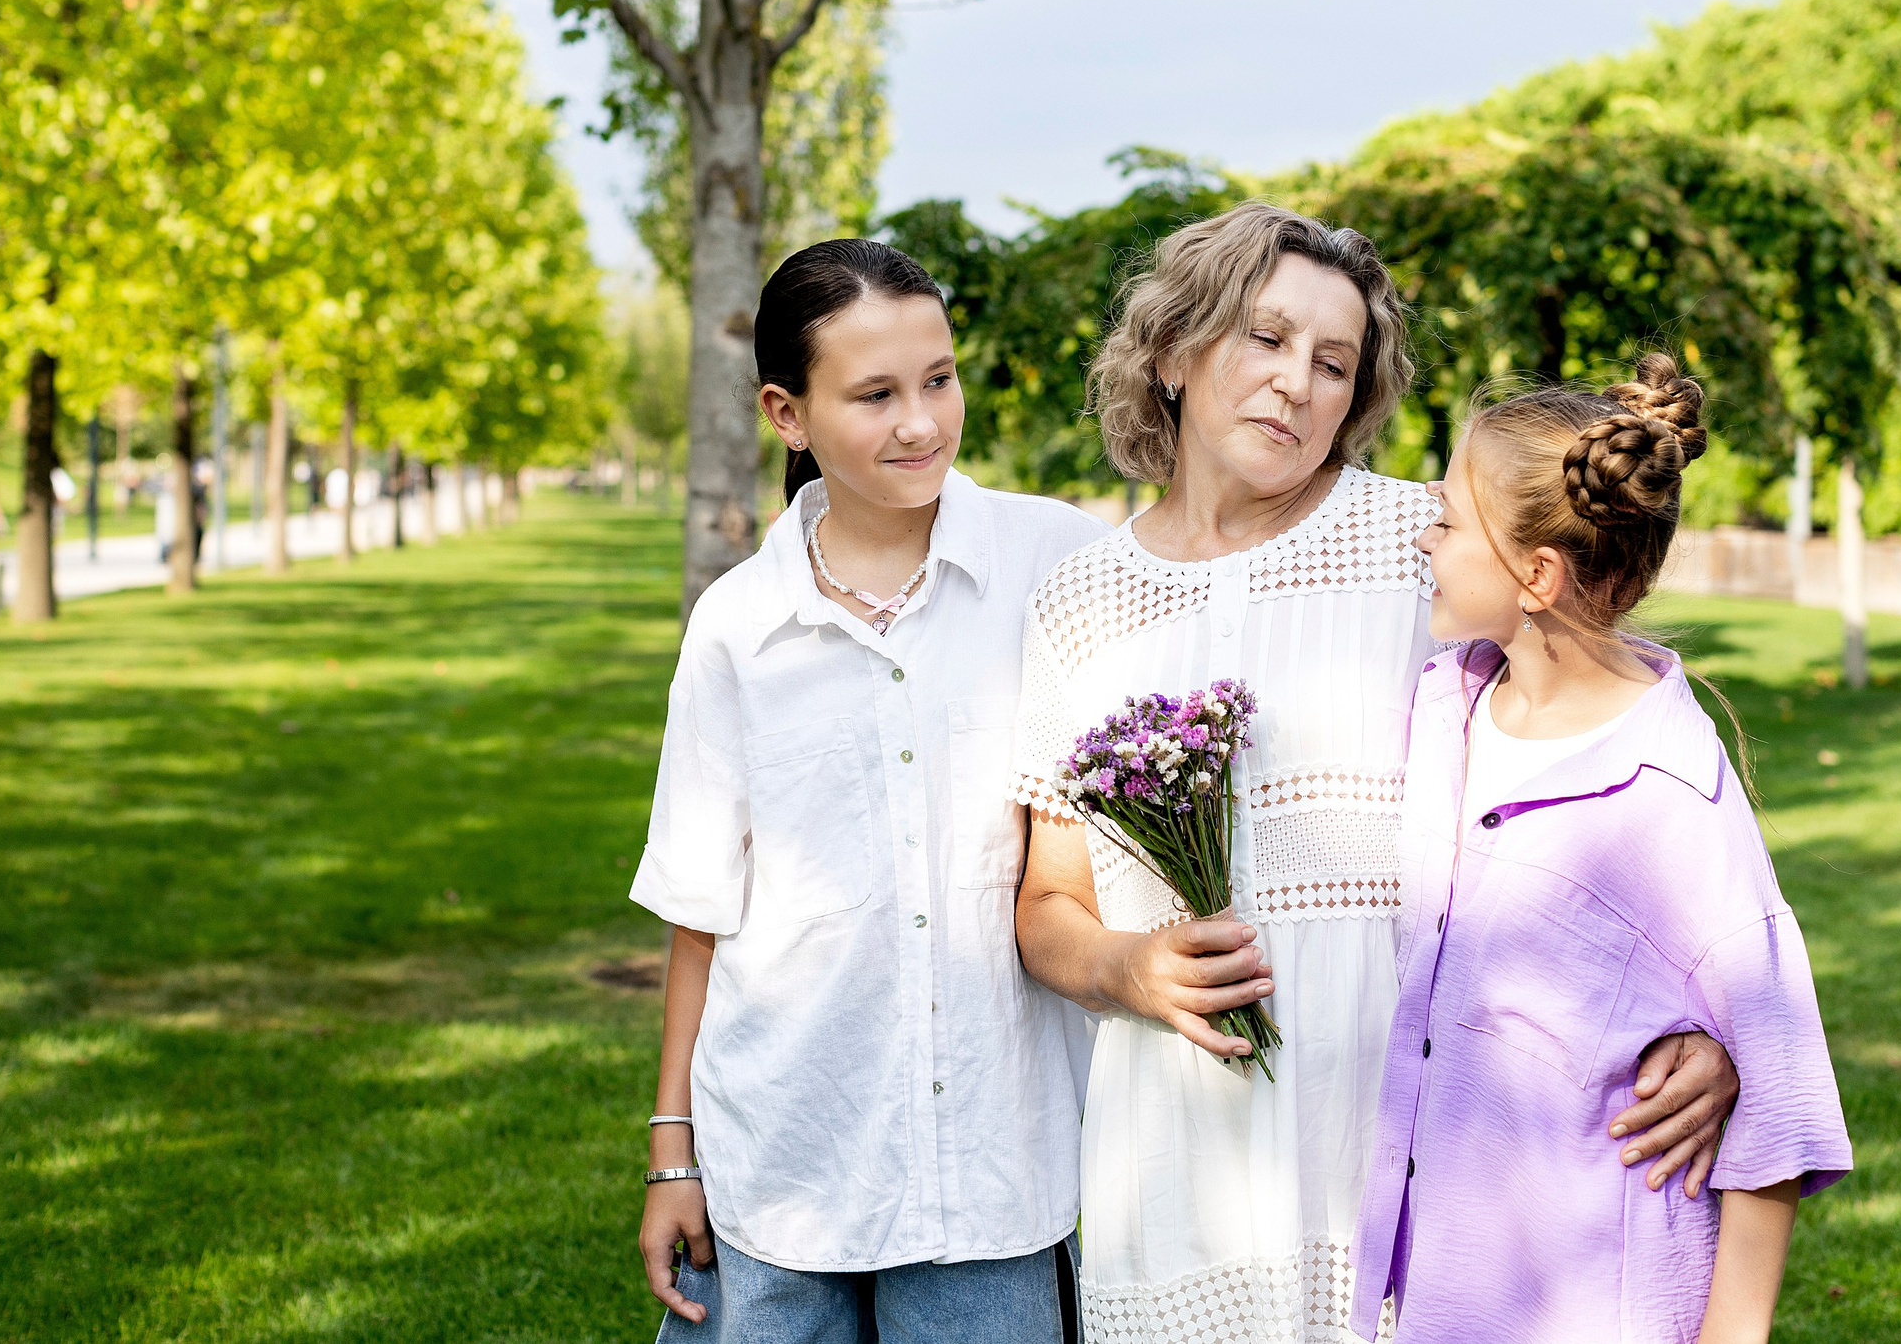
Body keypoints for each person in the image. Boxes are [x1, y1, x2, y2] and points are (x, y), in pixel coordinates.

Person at [1010, 205, 1743, 1344]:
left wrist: (1697, 1015)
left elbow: (1611, 744)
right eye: (1263, 338)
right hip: (1174, 1141)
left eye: (1332, 363)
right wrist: (1130, 966)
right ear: (1173, 351)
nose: (1295, 383)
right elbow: (1048, 900)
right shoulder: (1079, 600)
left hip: (1412, 1145)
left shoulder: (1428, 547)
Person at [630, 239, 1109, 1344]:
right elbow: (703, 911)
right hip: (780, 1174)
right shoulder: (738, 628)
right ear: (785, 414)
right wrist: (671, 1156)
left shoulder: (1057, 562)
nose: (921, 424)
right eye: (875, 394)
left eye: (938, 380)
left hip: (991, 1181)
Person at [1349, 358, 1853, 1343]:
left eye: (1449, 522)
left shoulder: (1670, 795)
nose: (1424, 536)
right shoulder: (1439, 708)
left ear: (1535, 576)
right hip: (1437, 1303)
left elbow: (1783, 1093)